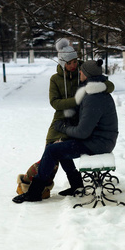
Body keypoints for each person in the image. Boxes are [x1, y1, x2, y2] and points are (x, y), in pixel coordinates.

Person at [15, 39, 114, 199]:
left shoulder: (85, 72)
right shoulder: (55, 79)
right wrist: (77, 100)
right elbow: (55, 102)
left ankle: (36, 189)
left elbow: (107, 84)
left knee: (56, 152)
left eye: (75, 61)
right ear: (62, 63)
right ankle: (71, 185)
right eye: (69, 63)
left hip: (81, 121)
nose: (73, 66)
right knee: (51, 148)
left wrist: (96, 89)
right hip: (62, 118)